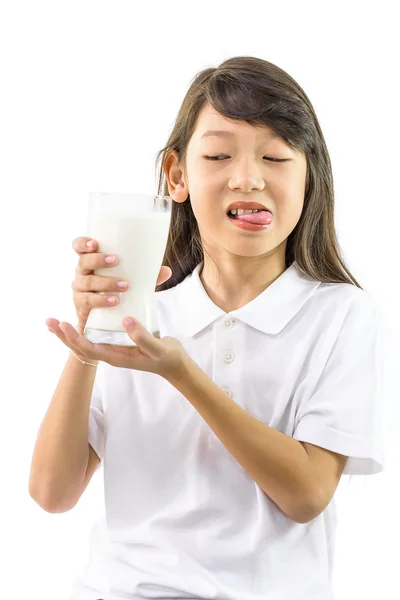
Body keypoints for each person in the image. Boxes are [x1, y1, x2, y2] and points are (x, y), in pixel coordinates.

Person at [29, 56, 385, 600]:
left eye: (274, 156)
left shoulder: (339, 315)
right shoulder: (142, 318)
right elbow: (52, 493)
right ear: (177, 175)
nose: (248, 177)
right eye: (218, 155)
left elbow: (308, 494)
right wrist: (88, 342)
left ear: (309, 174)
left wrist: (184, 375)